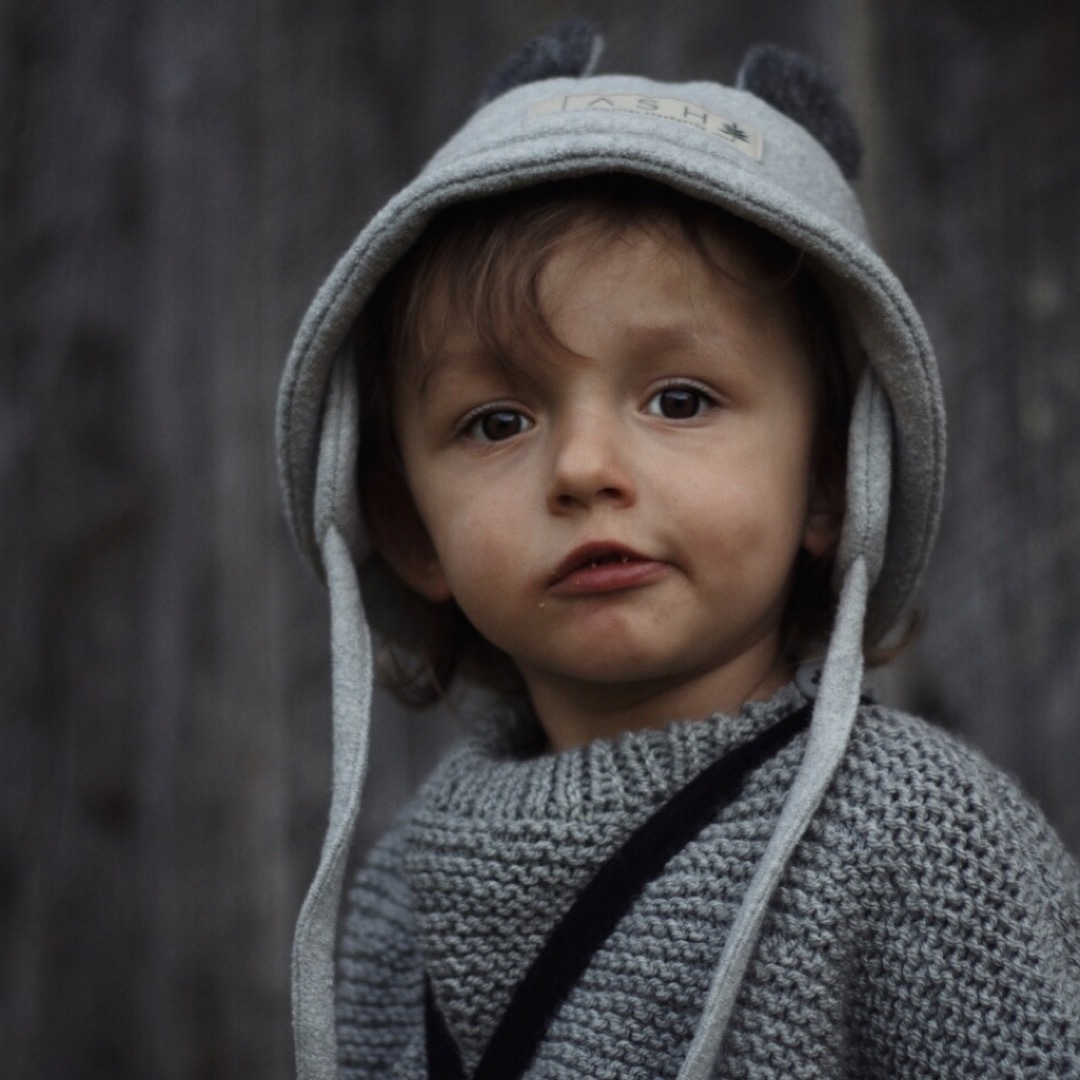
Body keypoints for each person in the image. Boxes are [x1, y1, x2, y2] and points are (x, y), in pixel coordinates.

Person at [276, 22, 1080, 1079]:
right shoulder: (394, 893)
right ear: (409, 528)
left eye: (680, 399)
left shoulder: (922, 843)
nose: (583, 468)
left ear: (834, 483)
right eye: (497, 421)